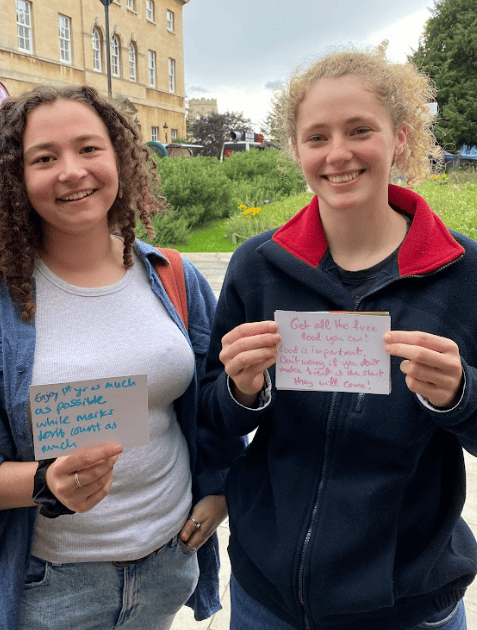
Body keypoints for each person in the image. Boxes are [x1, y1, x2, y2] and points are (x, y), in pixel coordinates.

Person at [200, 43, 477, 630]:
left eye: (359, 130)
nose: (338, 153)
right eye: (318, 136)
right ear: (296, 148)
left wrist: (459, 394)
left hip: (408, 604)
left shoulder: (463, 271)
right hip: (267, 597)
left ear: (400, 137)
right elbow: (213, 417)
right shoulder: (258, 265)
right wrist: (239, 391)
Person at [0, 84, 244, 630]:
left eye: (89, 148)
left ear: (119, 158)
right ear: (15, 178)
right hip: (49, 586)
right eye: (44, 158)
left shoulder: (174, 277)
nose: (71, 171)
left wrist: (220, 489)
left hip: (168, 565)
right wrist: (42, 484)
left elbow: (209, 409)